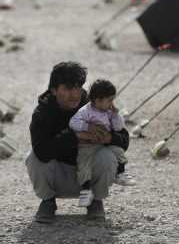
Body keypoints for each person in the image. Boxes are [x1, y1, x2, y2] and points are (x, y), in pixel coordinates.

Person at [26, 62, 130, 223]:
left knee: (108, 156)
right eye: (68, 88)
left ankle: (96, 202)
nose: (75, 94)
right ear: (54, 90)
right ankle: (47, 202)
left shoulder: (95, 105)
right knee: (33, 157)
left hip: (88, 175)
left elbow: (124, 140)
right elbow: (41, 151)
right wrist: (78, 136)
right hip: (58, 177)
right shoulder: (43, 112)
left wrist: (109, 138)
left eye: (78, 87)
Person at [69, 79, 135, 208]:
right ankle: (86, 190)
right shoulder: (85, 111)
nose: (112, 103)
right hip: (87, 145)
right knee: (84, 165)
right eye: (109, 100)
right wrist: (88, 127)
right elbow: (73, 123)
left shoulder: (110, 112)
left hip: (104, 144)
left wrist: (116, 115)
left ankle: (120, 173)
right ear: (98, 100)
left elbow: (118, 127)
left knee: (118, 151)